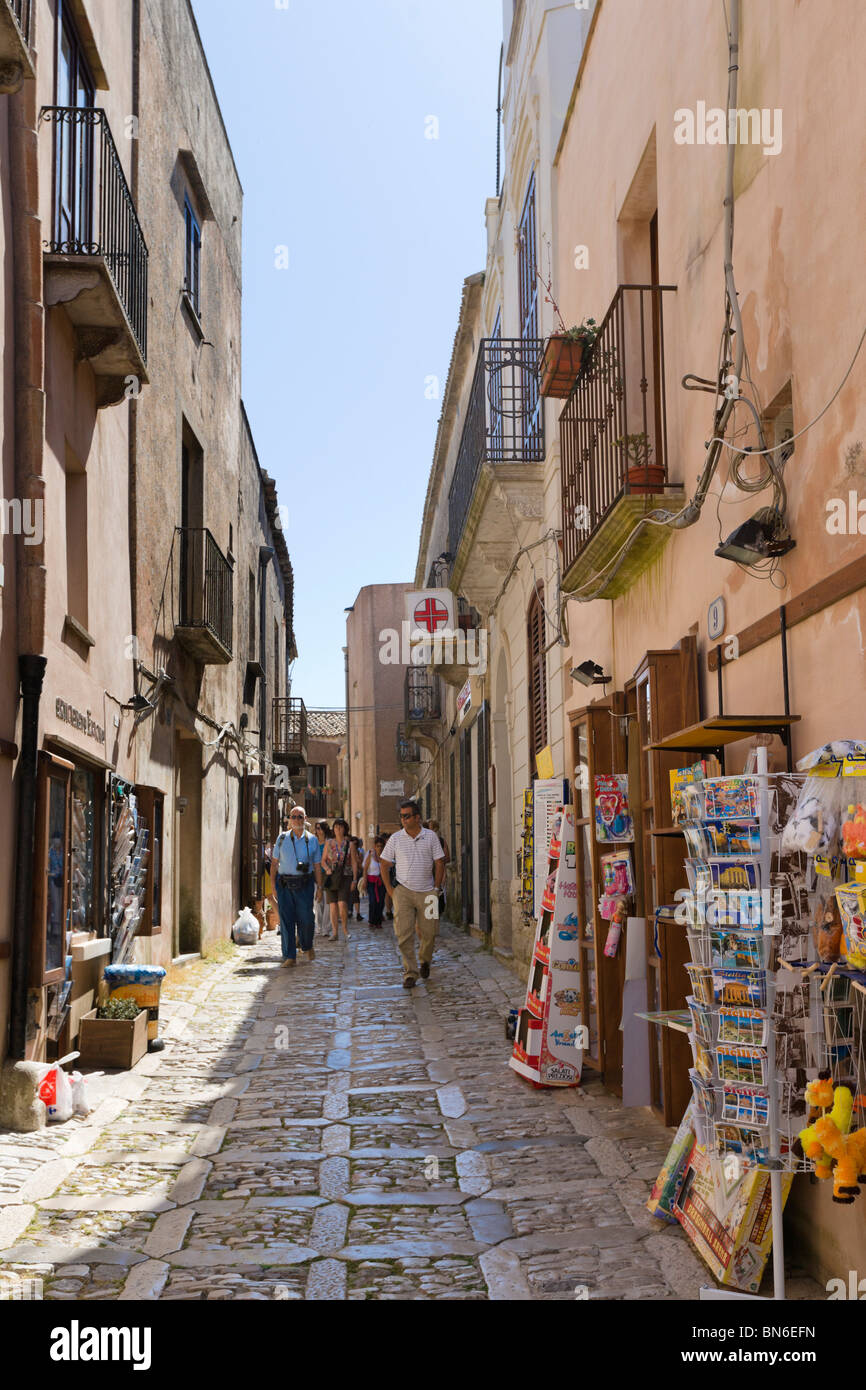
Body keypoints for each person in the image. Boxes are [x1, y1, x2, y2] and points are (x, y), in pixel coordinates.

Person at [380, 800, 445, 989]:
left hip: (429, 893)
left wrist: (437, 888)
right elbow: (384, 864)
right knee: (403, 934)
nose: (403, 819)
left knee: (431, 932)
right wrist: (391, 892)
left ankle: (425, 960)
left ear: (417, 817)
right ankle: (410, 972)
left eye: (406, 816)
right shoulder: (395, 839)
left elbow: (440, 862)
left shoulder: (431, 836)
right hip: (403, 892)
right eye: (401, 816)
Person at [272, 809, 323, 967]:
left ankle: (307, 945)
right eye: (293, 817)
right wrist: (273, 885)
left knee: (306, 918)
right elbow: (274, 863)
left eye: (299, 817)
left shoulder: (312, 840)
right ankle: (289, 956)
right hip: (284, 884)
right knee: (286, 920)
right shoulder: (281, 838)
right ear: (289, 819)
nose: (296, 820)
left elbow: (317, 866)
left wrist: (319, 887)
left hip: (305, 883)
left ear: (305, 818)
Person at [321, 817, 357, 941]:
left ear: (345, 829)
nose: (338, 829)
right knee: (332, 905)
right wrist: (327, 869)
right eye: (336, 826)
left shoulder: (350, 844)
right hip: (331, 877)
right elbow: (323, 861)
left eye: (340, 827)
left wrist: (355, 879)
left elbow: (354, 863)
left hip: (345, 876)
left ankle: (345, 929)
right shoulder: (329, 843)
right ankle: (335, 932)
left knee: (342, 903)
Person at [362, 836, 387, 928]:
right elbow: (365, 869)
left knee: (380, 902)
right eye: (378, 846)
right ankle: (372, 920)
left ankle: (378, 921)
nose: (379, 848)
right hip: (371, 882)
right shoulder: (370, 855)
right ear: (375, 846)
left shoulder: (385, 856)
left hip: (382, 882)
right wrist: (364, 881)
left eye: (381, 846)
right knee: (372, 901)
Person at [314, 821, 333, 937]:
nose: (318, 830)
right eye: (317, 828)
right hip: (315, 874)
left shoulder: (329, 843)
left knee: (327, 902)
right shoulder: (313, 842)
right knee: (317, 902)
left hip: (327, 874)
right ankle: (319, 926)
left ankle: (326, 928)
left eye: (320, 828)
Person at [350, 836, 364, 922]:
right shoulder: (346, 852)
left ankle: (358, 913)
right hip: (347, 875)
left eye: (356, 844)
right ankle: (349, 910)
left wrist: (358, 861)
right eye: (353, 843)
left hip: (356, 875)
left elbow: (361, 866)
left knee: (355, 894)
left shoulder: (359, 853)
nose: (354, 845)